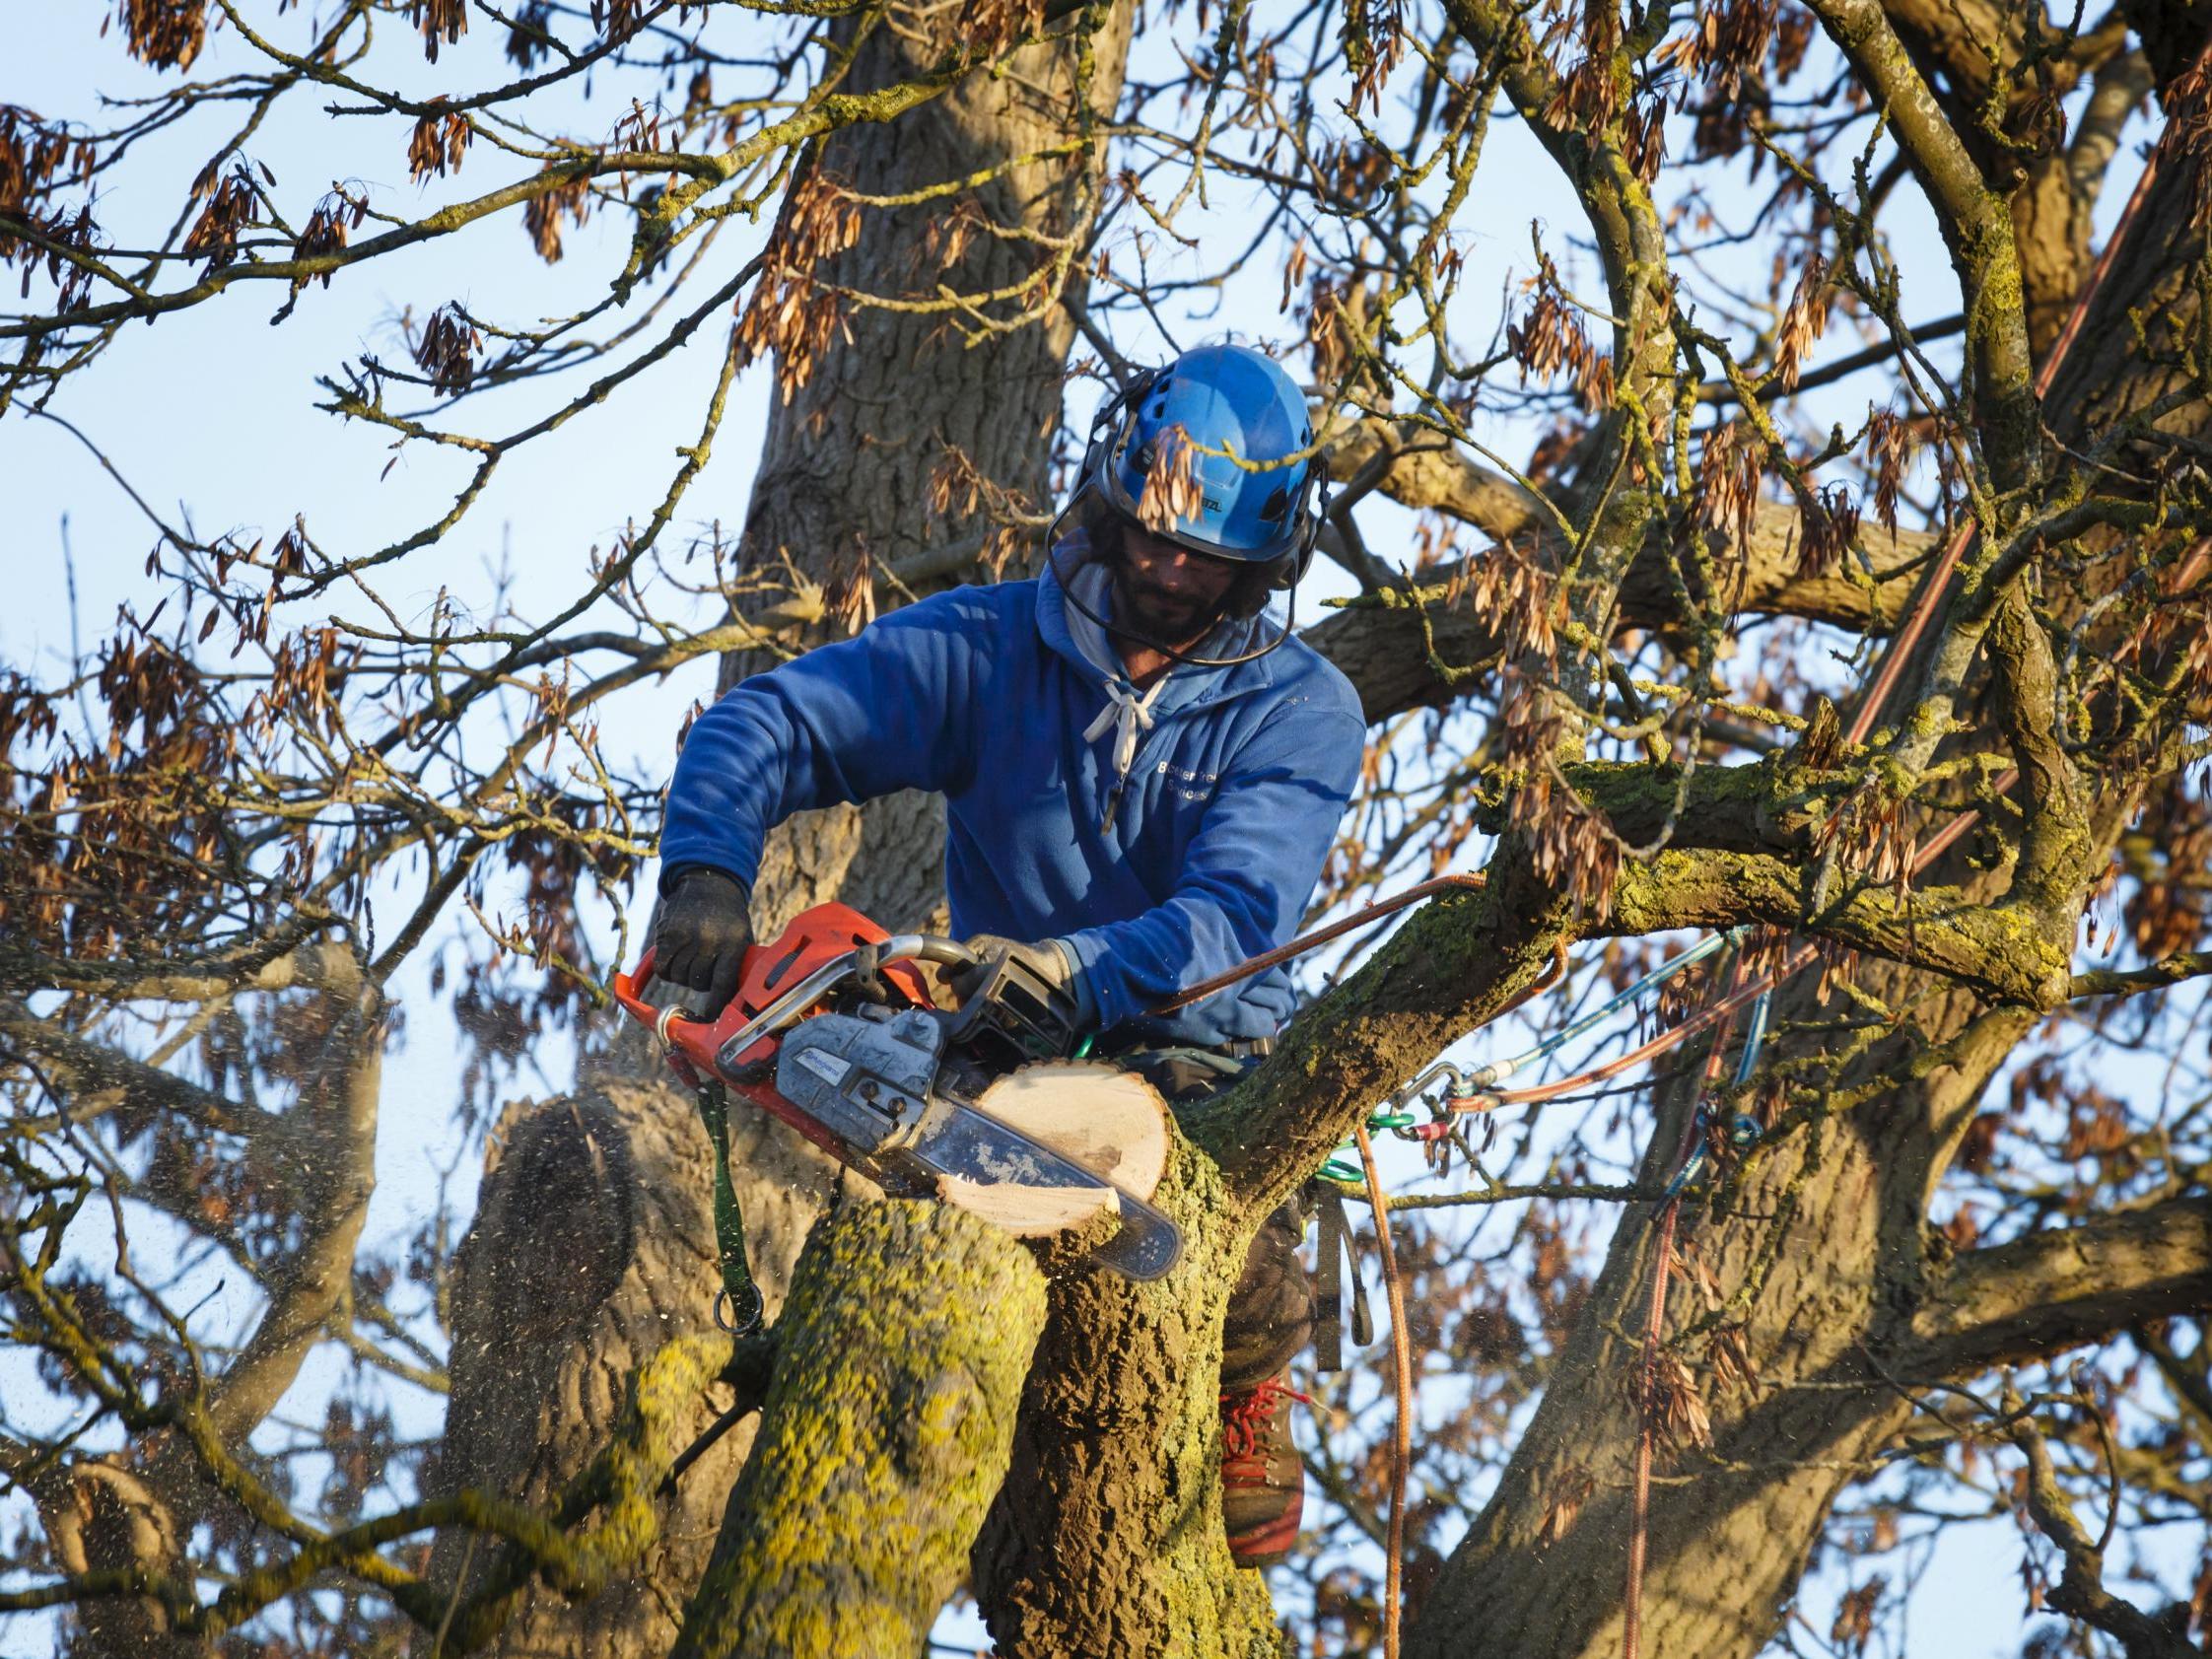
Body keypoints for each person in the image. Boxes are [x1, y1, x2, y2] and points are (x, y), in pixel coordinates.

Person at [653, 341, 1366, 1567]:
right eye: (1149, 531)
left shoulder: (1301, 710)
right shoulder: (989, 651)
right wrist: (708, 873)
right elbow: (769, 720)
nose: (1163, 564)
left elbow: (1236, 916)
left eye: (1204, 555)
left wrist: (1079, 970)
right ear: (1112, 485)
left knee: (1232, 1268)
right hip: (999, 1054)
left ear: (1266, 561)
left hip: (1206, 1061)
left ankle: (1250, 1377)